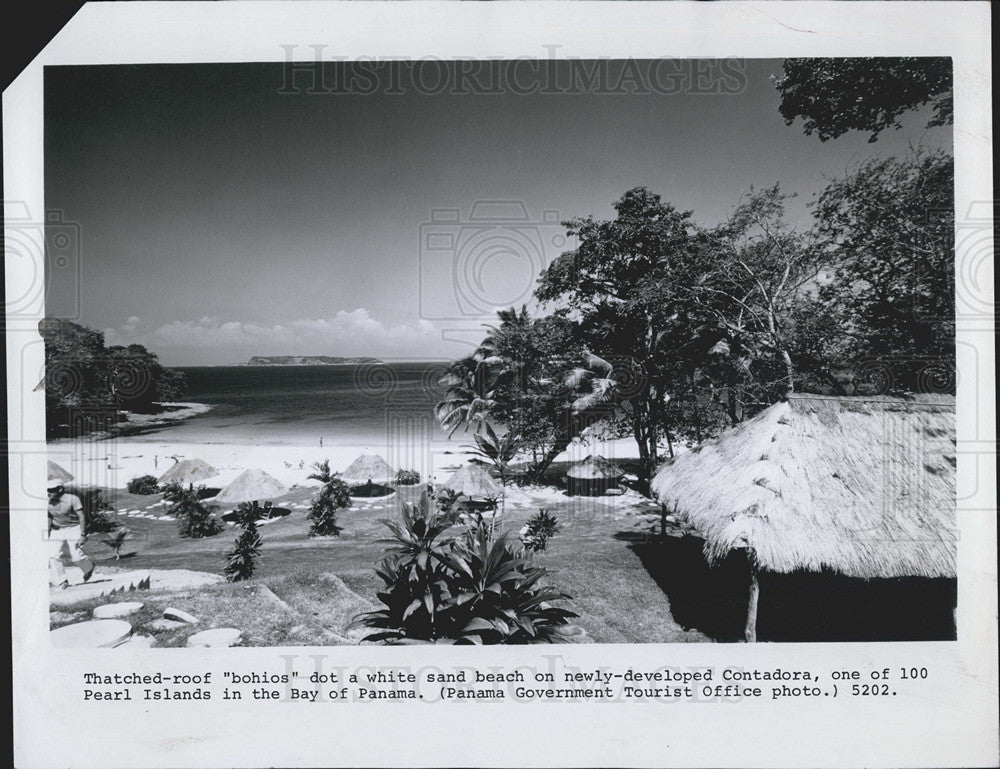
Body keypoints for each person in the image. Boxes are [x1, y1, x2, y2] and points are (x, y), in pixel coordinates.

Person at [47, 480, 89, 588]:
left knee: (76, 556)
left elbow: (81, 516)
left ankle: (88, 567)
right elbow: (50, 517)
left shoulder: (73, 499)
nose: (48, 492)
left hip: (73, 528)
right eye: (47, 490)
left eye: (51, 490)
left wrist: (83, 534)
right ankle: (62, 581)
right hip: (57, 530)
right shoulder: (48, 501)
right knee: (53, 555)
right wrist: (47, 532)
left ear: (60, 489)